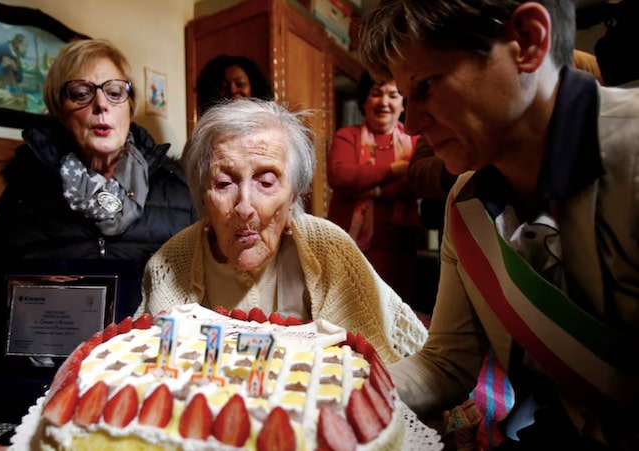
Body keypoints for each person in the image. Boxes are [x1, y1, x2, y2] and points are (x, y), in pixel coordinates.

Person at [359, 0, 639, 449]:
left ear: (527, 41)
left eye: (425, 86)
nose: (410, 125)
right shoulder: (464, 202)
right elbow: (446, 365)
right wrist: (336, 393)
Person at [0, 38, 196, 434]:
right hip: (44, 398)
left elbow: (200, 306)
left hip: (150, 394)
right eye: (81, 93)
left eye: (114, 92)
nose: (101, 105)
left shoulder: (179, 191)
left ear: (129, 106)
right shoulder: (23, 196)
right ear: (59, 110)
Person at [137, 98, 428, 364]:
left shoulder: (329, 248)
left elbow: (386, 357)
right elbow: (150, 366)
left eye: (266, 182)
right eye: (224, 183)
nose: (244, 207)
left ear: (292, 198)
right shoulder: (170, 262)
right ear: (202, 197)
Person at [326, 71, 422, 306]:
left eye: (393, 95)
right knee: (348, 310)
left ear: (403, 103)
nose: (384, 102)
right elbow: (340, 177)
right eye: (376, 94)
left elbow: (417, 183)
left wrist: (376, 190)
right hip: (349, 246)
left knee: (396, 315)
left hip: (399, 248)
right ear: (364, 101)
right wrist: (394, 170)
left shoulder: (417, 142)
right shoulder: (347, 136)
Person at [195, 54, 273, 117]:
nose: (232, 90)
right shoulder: (209, 127)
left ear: (254, 86)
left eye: (239, 84)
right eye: (223, 87)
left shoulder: (267, 122)